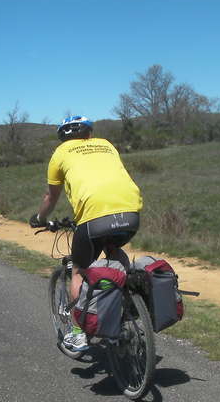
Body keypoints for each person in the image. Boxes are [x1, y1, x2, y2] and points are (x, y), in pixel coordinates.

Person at [30, 116, 143, 351]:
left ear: (62, 137)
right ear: (89, 134)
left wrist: (39, 219)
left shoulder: (60, 153)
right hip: (131, 212)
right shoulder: (107, 145)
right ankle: (127, 298)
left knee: (79, 270)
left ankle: (78, 333)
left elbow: (51, 197)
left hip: (93, 217)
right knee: (113, 251)